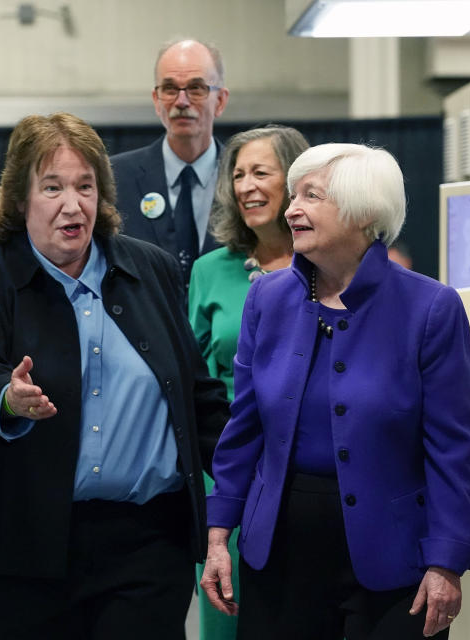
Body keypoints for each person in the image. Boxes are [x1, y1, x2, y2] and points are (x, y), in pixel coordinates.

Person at [0, 112, 230, 639]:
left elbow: (195, 394)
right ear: (19, 198)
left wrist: (256, 472)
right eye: (52, 187)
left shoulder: (152, 269)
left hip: (145, 549)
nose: (73, 204)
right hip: (15, 552)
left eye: (85, 186)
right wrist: (7, 397)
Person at [200, 143, 470, 640]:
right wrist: (219, 533)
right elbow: (242, 430)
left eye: (311, 196)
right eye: (293, 195)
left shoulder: (431, 308)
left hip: (394, 558)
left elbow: (450, 449)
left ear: (364, 212)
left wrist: (446, 561)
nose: (291, 210)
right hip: (280, 552)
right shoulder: (266, 299)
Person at [188, 125, 310, 638]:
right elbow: (192, 378)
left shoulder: (324, 263)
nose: (246, 186)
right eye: (238, 175)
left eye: (261, 172)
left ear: (297, 183)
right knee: (226, 621)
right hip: (231, 472)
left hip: (309, 474)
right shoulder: (210, 271)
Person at [111, 38, 230, 283]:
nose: (182, 101)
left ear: (220, 101)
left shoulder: (245, 179)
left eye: (196, 88)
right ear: (156, 100)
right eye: (170, 89)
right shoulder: (115, 178)